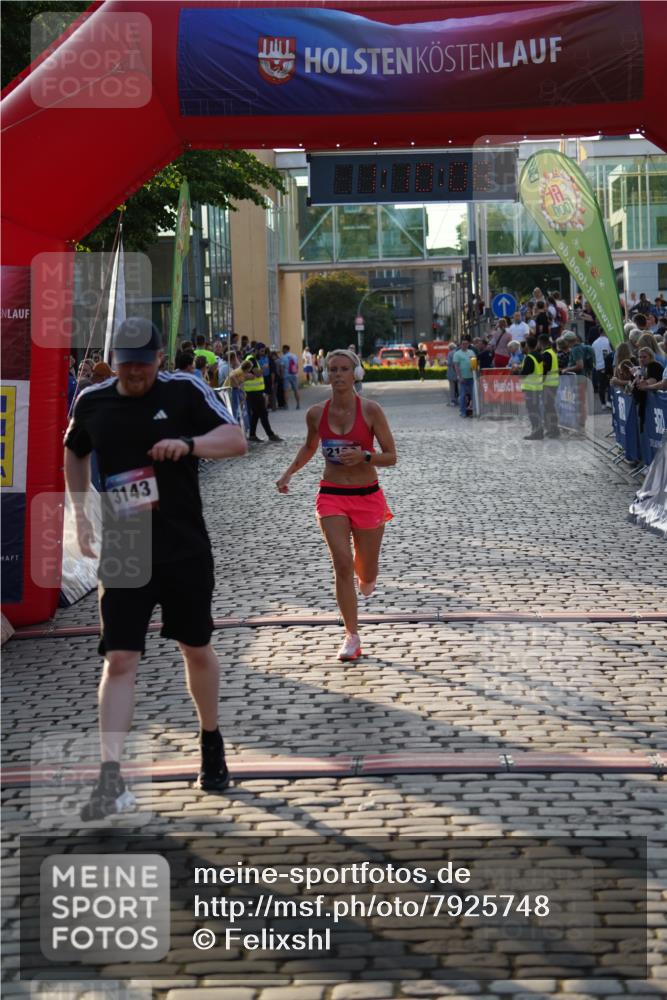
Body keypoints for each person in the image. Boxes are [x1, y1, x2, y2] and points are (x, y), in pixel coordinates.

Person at [63, 317, 247, 820]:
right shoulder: (92, 400)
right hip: (126, 542)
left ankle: (211, 739)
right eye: (127, 365)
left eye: (144, 364)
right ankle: (110, 777)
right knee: (120, 658)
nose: (136, 373)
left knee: (195, 647)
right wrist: (81, 513)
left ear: (160, 359)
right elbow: (74, 451)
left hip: (183, 543)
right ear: (115, 362)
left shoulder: (184, 390)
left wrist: (189, 444)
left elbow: (236, 440)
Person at [276, 349, 396, 662]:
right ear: (326, 373)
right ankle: (351, 636)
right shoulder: (316, 414)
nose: (338, 374)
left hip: (367, 495)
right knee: (342, 563)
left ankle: (366, 575)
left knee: (365, 573)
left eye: (344, 369)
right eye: (332, 369)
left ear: (355, 374)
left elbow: (391, 456)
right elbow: (309, 446)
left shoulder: (371, 410)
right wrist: (289, 472)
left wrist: (365, 456)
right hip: (331, 494)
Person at [244, 352, 282, 442]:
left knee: (256, 414)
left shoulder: (250, 359)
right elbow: (258, 373)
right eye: (261, 350)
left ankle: (252, 435)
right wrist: (263, 369)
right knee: (263, 413)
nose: (262, 353)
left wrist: (260, 370)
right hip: (254, 391)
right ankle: (271, 435)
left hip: (253, 391)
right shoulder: (251, 359)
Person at [520, 334, 544, 440]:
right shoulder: (539, 355)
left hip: (530, 388)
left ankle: (536, 432)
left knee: (532, 411)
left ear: (527, 345)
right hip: (538, 386)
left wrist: (516, 371)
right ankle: (539, 431)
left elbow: (524, 374)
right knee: (536, 410)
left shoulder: (529, 358)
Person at [537, 333, 560, 438]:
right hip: (552, 383)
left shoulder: (546, 354)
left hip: (548, 384)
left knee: (549, 408)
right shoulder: (552, 352)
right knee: (549, 407)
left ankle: (554, 430)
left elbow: (545, 371)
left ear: (541, 342)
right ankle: (552, 429)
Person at [452, 337, 476, 417]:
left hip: (472, 377)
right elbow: (456, 366)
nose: (464, 345)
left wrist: (474, 368)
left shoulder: (471, 352)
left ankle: (474, 411)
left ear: (468, 344)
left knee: (474, 395)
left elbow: (474, 362)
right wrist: (459, 376)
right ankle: (463, 412)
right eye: (463, 344)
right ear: (460, 344)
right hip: (463, 378)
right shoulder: (457, 354)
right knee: (463, 395)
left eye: (466, 344)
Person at [591, 328, 613, 408]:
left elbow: (593, 356)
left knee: (601, 386)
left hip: (599, 367)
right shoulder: (608, 341)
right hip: (608, 366)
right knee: (610, 384)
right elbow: (611, 353)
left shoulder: (594, 343)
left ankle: (603, 403)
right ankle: (609, 401)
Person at [281, 344, 301, 409]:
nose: (282, 351)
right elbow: (297, 366)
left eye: (283, 349)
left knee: (286, 390)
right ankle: (298, 404)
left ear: (285, 349)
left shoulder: (283, 357)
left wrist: (282, 375)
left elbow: (282, 367)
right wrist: (296, 373)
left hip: (286, 375)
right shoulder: (294, 356)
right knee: (296, 390)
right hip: (294, 374)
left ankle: (286, 405)